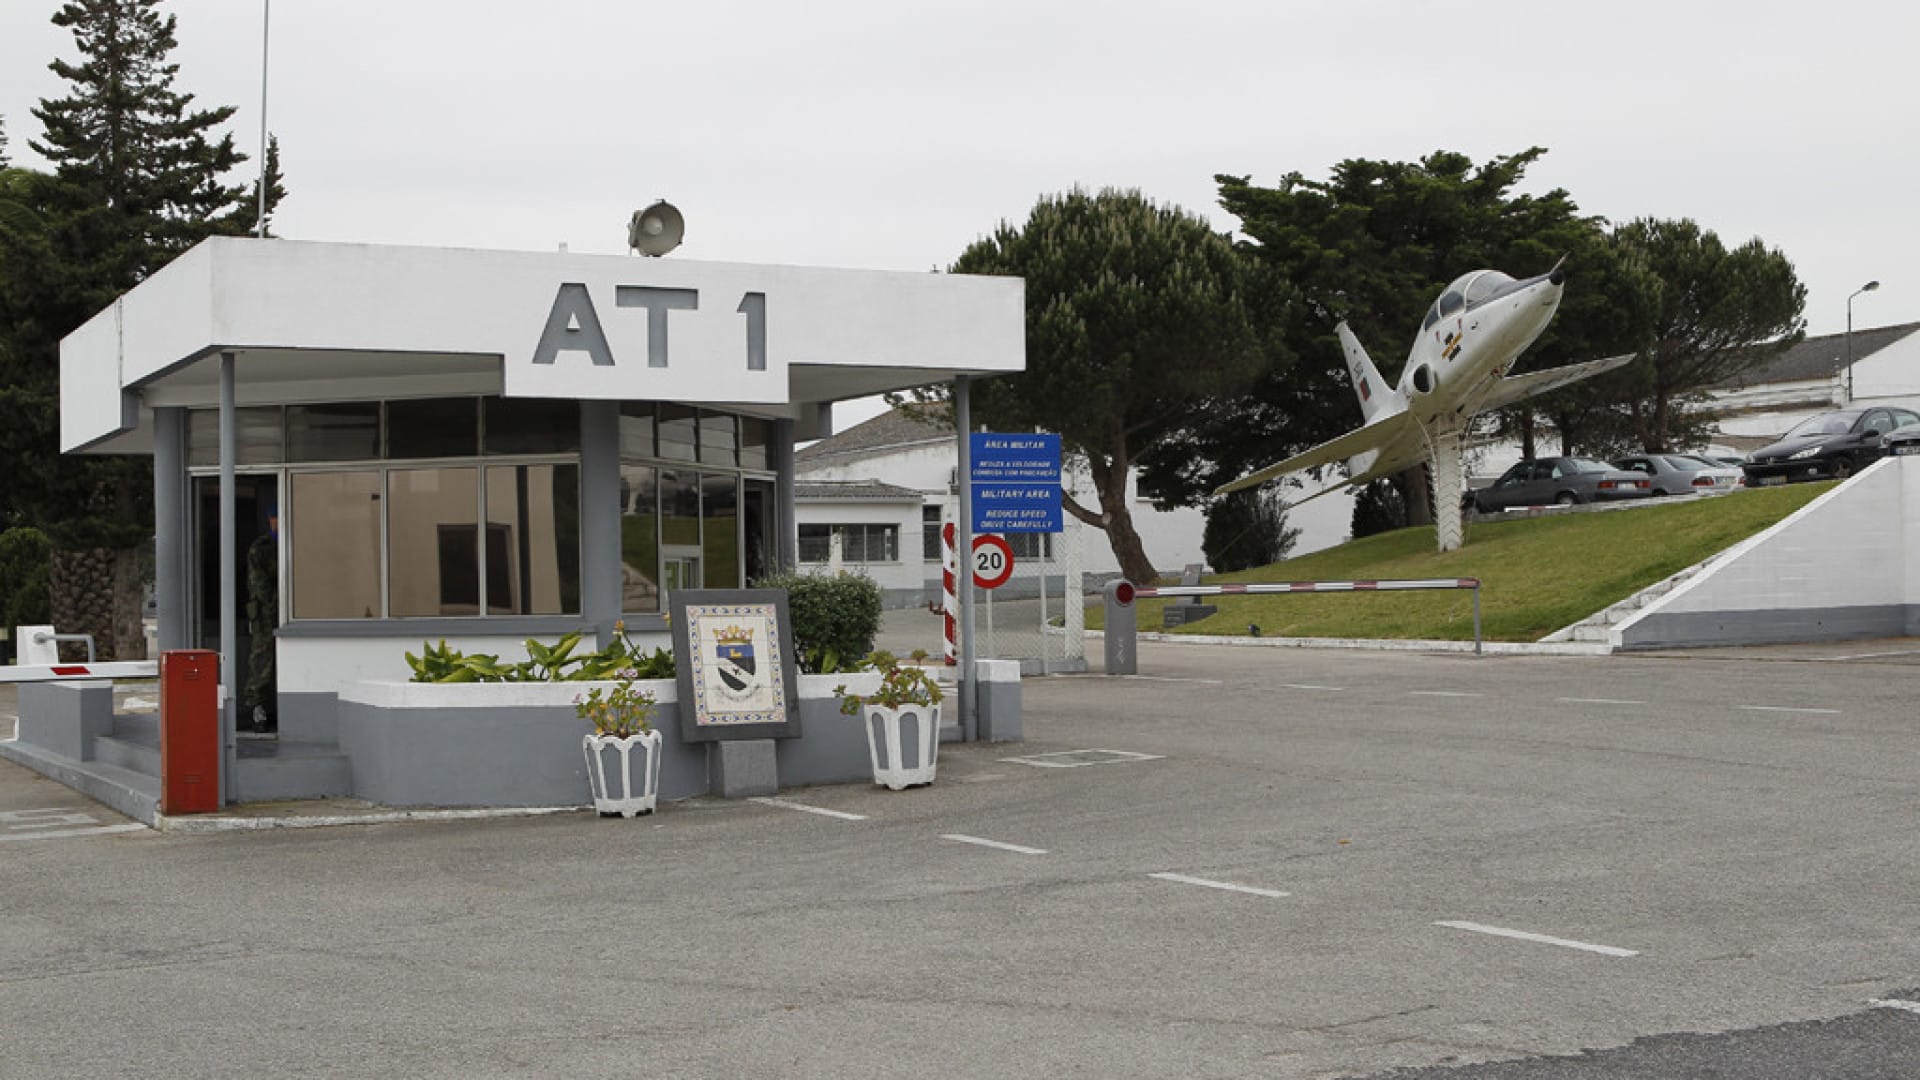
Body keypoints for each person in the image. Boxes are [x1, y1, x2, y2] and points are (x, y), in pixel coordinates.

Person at [242, 505, 279, 733]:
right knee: (261, 660)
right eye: (274, 518)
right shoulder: (261, 548)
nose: (277, 522)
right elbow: (258, 584)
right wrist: (274, 602)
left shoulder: (294, 540)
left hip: (288, 612)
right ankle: (257, 708)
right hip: (265, 614)